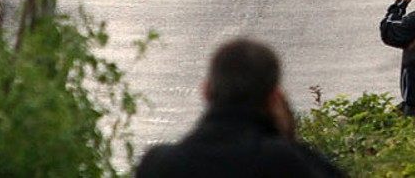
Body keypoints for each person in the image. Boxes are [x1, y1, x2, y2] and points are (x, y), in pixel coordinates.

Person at [137, 38, 342, 177]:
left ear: (206, 90)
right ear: (273, 98)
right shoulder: (285, 162)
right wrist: (288, 139)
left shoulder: (158, 165)